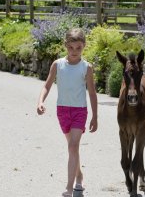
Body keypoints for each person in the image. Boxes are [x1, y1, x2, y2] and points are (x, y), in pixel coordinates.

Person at [36, 28, 98, 197]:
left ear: (84, 46)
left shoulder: (87, 67)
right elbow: (47, 85)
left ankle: (69, 188)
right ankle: (79, 175)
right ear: (65, 46)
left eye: (78, 48)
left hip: (80, 111)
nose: (74, 51)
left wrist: (95, 117)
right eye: (71, 47)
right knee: (72, 148)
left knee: (73, 146)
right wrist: (41, 101)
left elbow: (92, 93)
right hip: (62, 110)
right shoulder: (58, 65)